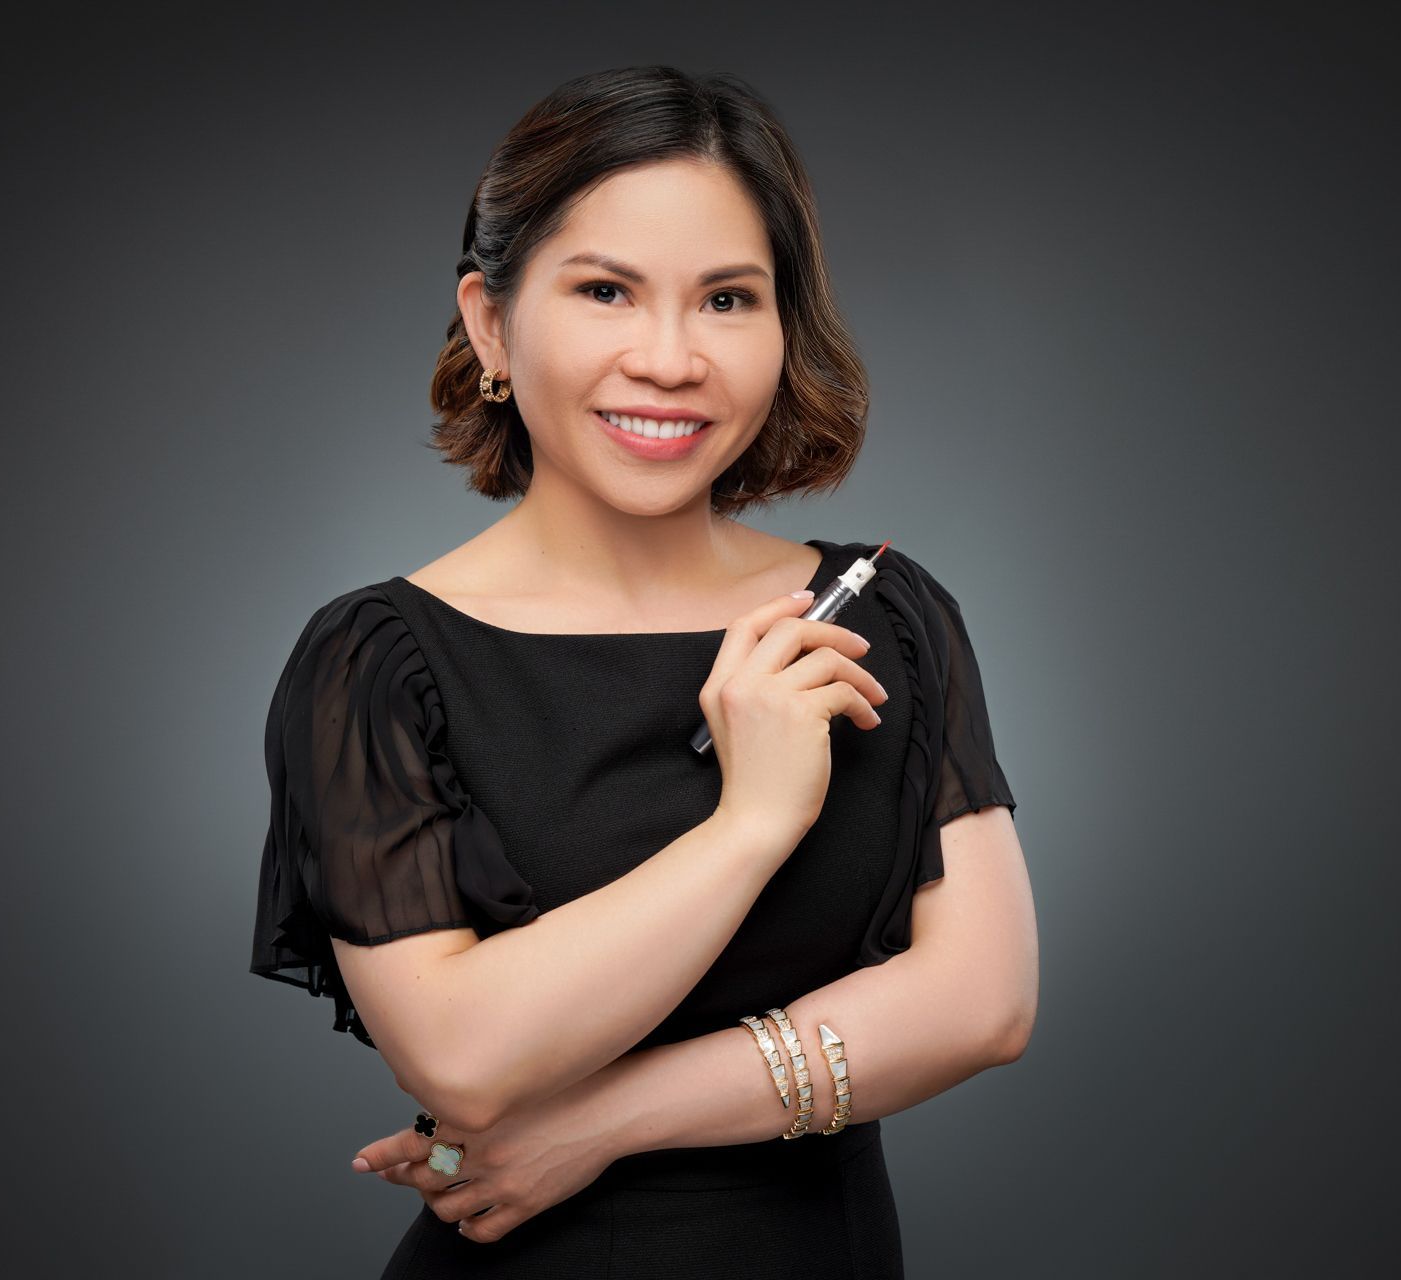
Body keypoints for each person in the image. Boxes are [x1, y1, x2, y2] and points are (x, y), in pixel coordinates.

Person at [249, 64, 1039, 1278]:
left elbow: (984, 1002)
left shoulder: (890, 615)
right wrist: (753, 820)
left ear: (785, 326)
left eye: (728, 299)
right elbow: (460, 1053)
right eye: (607, 289)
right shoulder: (377, 663)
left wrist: (602, 1121)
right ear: (491, 321)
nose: (671, 359)